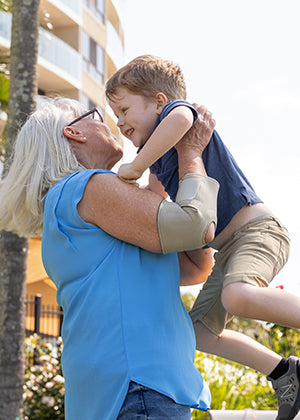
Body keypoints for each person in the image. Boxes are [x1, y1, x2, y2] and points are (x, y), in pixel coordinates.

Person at [106, 54, 300, 420]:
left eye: (124, 109)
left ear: (158, 102)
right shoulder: (161, 159)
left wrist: (135, 165)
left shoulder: (176, 116)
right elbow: (154, 203)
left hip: (258, 230)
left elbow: (182, 118)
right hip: (227, 249)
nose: (119, 122)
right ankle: (285, 372)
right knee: (198, 333)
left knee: (239, 295)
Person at [0, 97, 220, 420]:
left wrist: (166, 170)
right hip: (138, 389)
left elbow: (195, 267)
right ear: (74, 133)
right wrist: (191, 151)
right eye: (98, 115)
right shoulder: (85, 187)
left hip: (127, 391)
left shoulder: (79, 209)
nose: (113, 124)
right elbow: (197, 226)